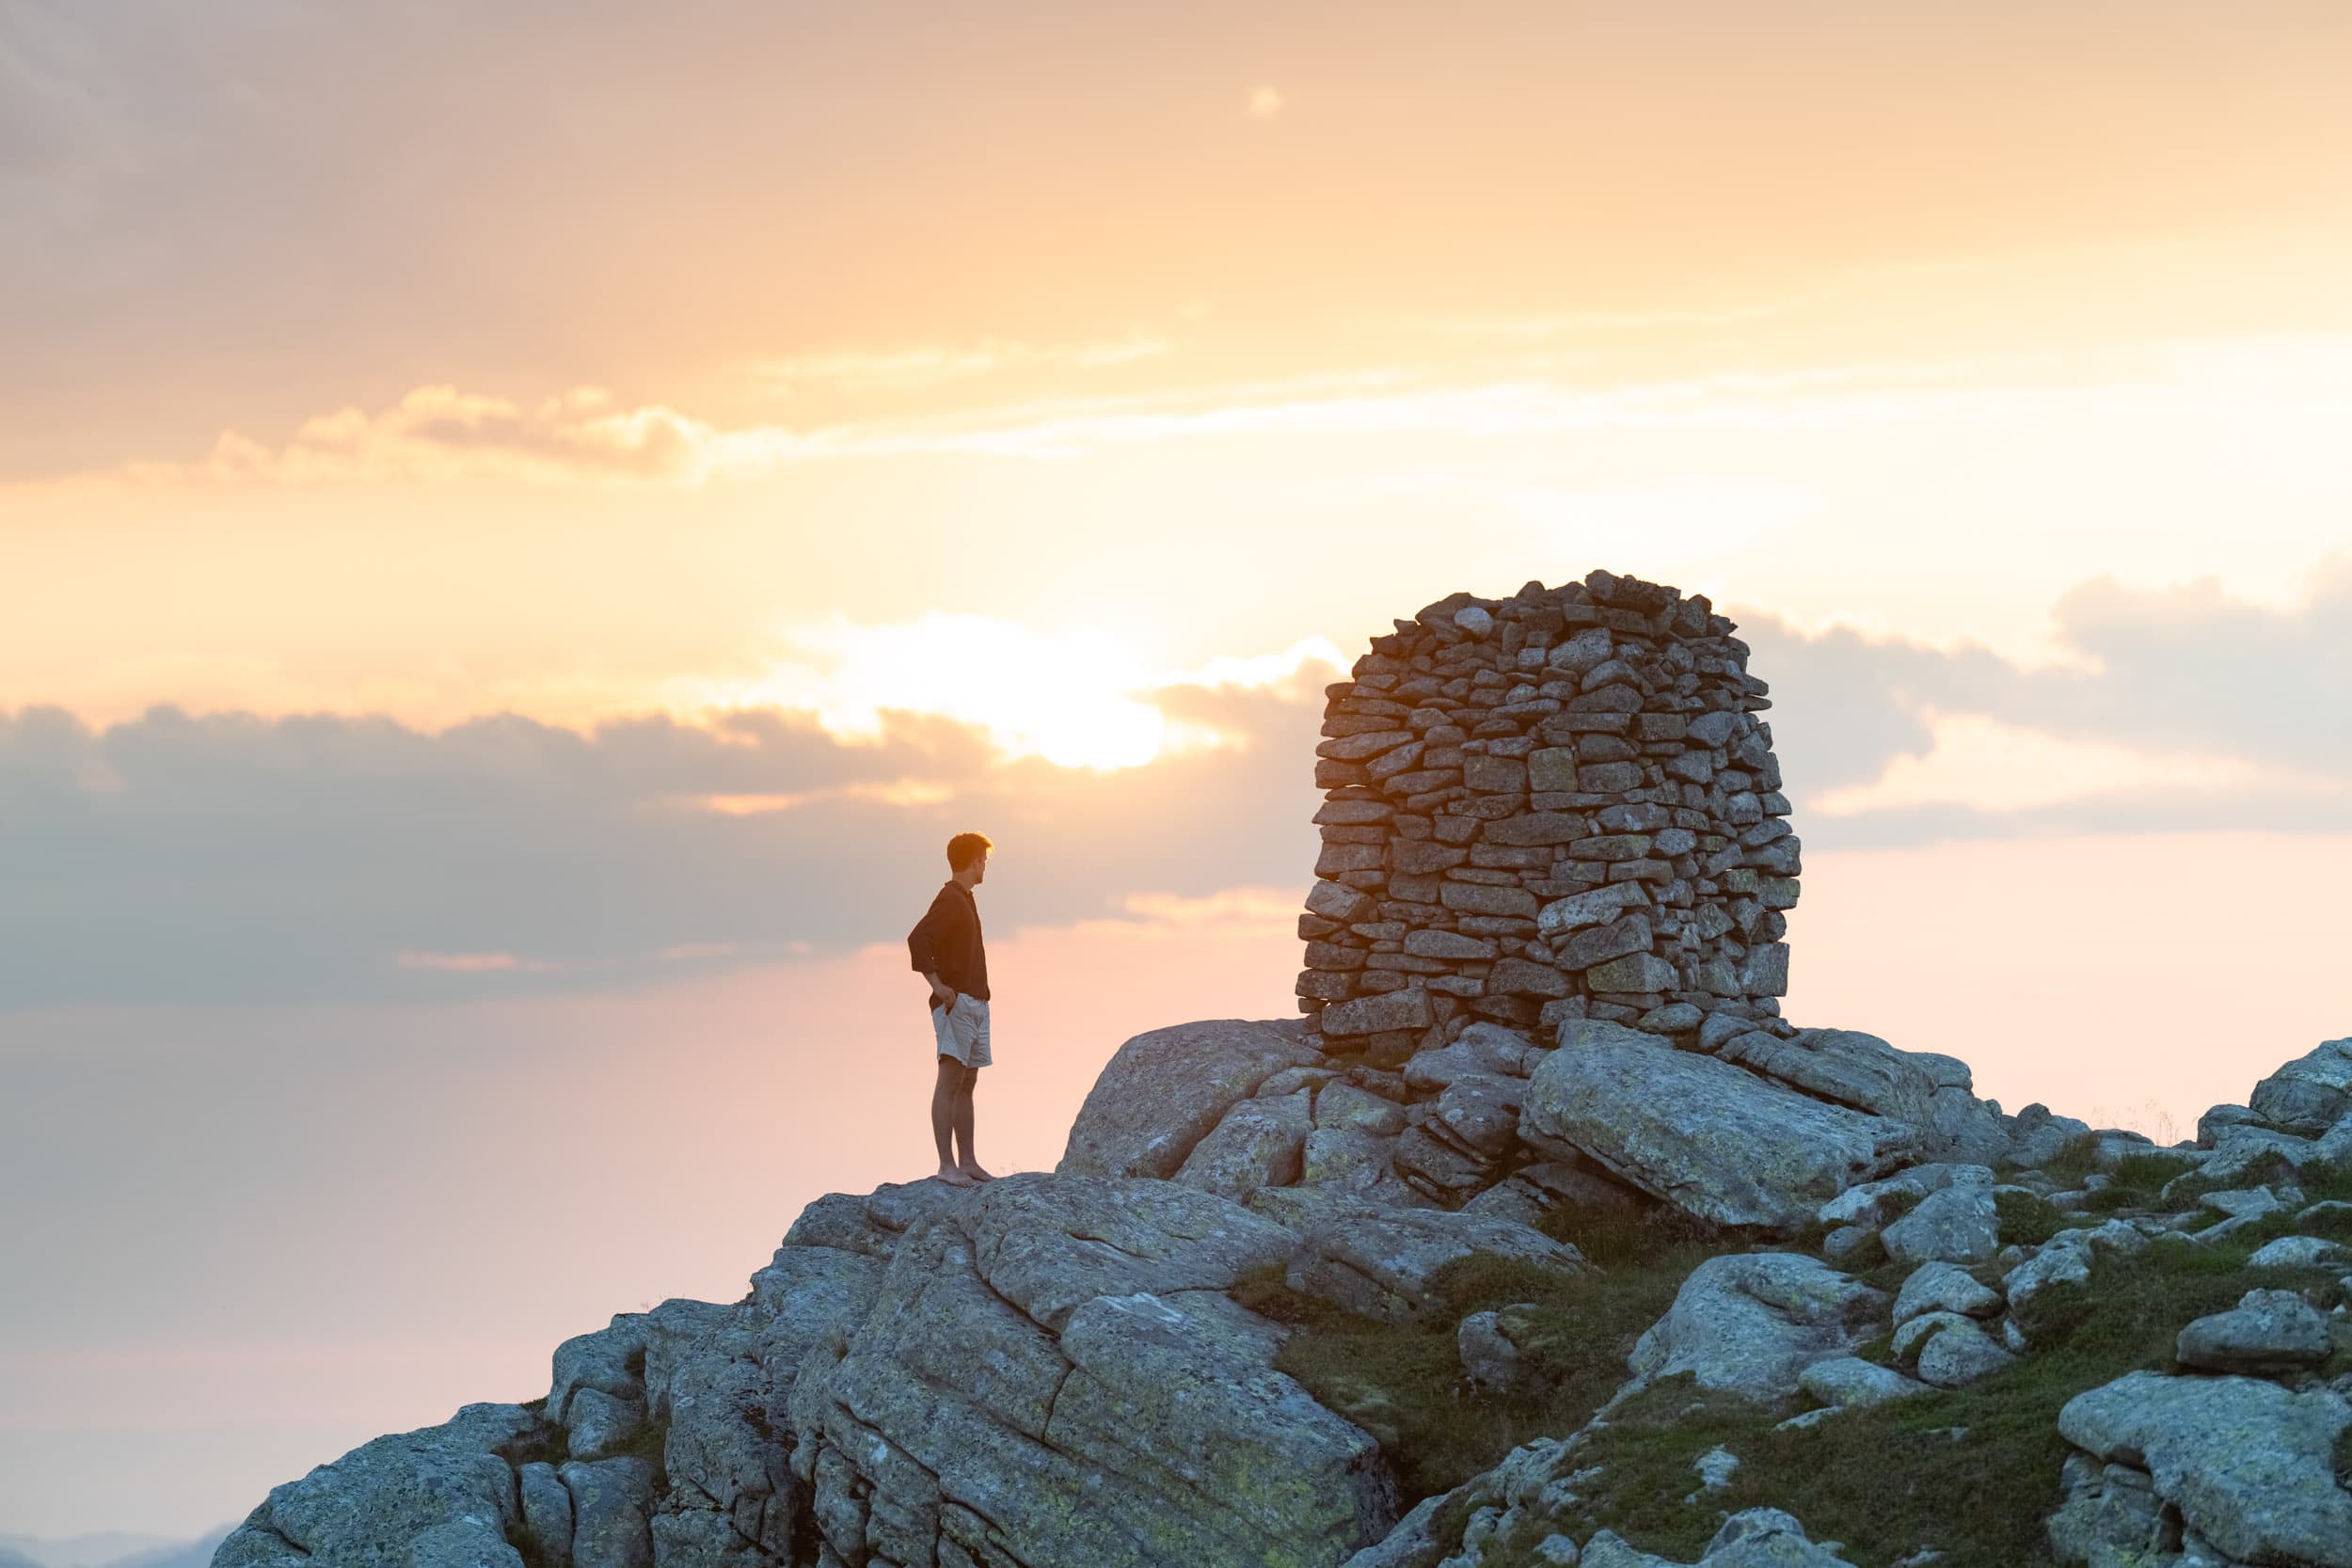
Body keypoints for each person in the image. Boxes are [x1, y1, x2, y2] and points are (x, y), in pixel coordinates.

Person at [906, 832, 995, 1186]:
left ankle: (968, 1161)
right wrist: (938, 986)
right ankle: (947, 1166)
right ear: (974, 861)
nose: (985, 866)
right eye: (984, 860)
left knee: (967, 1081)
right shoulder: (950, 898)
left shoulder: (965, 899)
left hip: (976, 1001)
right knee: (949, 1080)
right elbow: (918, 939)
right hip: (956, 1003)